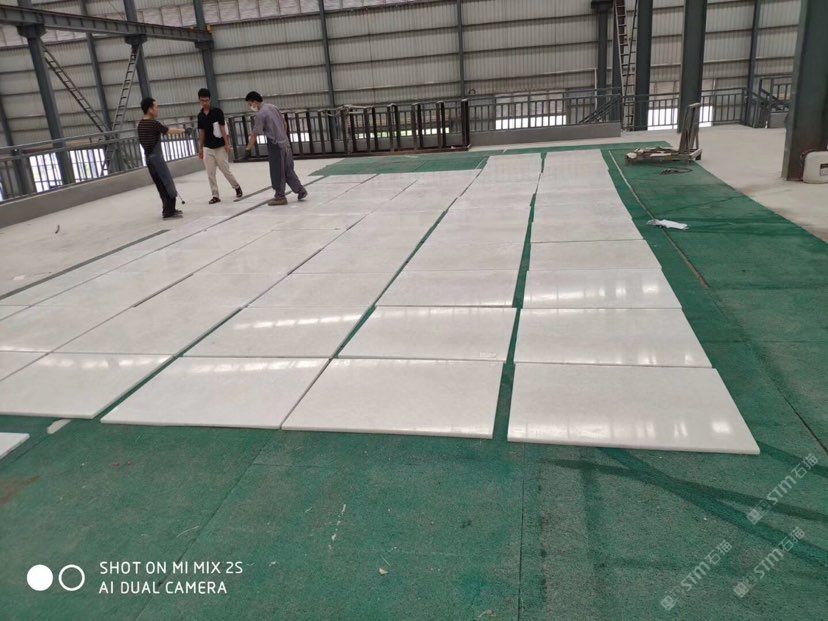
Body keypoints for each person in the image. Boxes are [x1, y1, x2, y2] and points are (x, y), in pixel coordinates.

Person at [243, 91, 307, 206]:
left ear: (255, 102)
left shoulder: (260, 114)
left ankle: (280, 197)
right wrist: (283, 136)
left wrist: (248, 149)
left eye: (250, 104)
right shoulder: (273, 107)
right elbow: (284, 123)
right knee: (288, 170)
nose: (250, 106)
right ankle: (300, 190)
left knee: (277, 172)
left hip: (275, 145)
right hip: (286, 143)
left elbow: (254, 134)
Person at [138, 97, 186, 219]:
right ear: (150, 109)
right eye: (156, 107)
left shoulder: (140, 124)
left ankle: (170, 210)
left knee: (161, 185)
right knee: (167, 184)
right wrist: (183, 130)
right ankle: (168, 212)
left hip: (149, 160)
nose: (157, 109)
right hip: (157, 160)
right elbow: (168, 131)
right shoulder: (153, 123)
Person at [196, 88, 242, 204]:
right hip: (207, 148)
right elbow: (201, 132)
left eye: (206, 100)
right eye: (202, 100)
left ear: (210, 100)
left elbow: (223, 128)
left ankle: (236, 187)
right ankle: (215, 195)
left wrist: (227, 144)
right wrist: (200, 148)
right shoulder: (200, 116)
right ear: (199, 100)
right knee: (210, 173)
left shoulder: (217, 112)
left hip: (220, 147)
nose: (205, 103)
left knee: (225, 170)